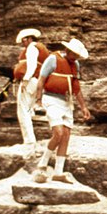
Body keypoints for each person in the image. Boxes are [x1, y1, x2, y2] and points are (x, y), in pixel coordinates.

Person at [33, 38, 92, 183]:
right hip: (51, 99)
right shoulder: (52, 59)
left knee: (65, 135)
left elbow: (76, 87)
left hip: (66, 102)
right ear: (68, 51)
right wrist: (38, 100)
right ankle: (42, 164)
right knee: (58, 133)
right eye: (75, 55)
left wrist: (83, 107)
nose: (76, 58)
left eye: (78, 56)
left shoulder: (75, 64)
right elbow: (41, 80)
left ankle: (58, 172)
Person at [12, 28, 49, 149]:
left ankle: (29, 141)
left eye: (24, 40)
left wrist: (26, 79)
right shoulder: (41, 48)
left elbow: (32, 65)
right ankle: (31, 139)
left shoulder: (32, 48)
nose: (23, 43)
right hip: (38, 82)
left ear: (29, 38)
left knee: (23, 110)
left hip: (31, 80)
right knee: (29, 109)